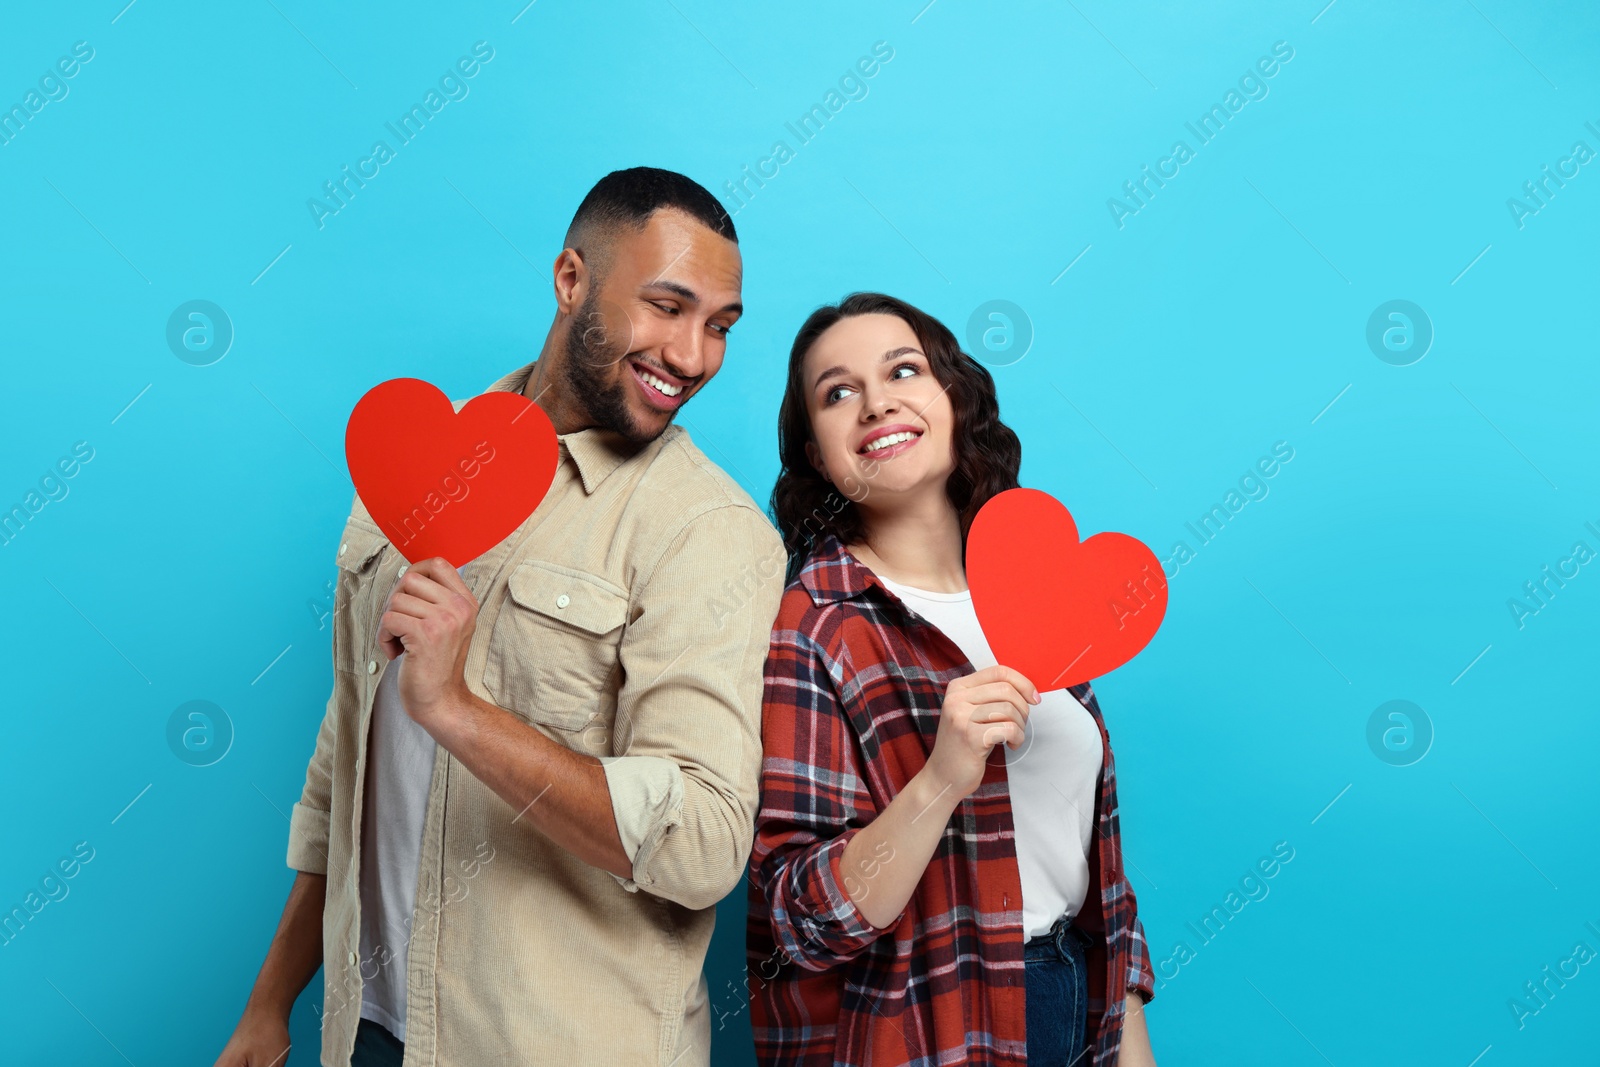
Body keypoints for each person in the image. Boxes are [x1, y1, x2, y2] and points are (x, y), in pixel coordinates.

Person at [213, 167, 786, 1067]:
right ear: (571, 280)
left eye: (719, 325)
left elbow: (707, 839)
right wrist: (270, 1002)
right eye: (667, 306)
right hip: (369, 1033)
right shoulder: (415, 465)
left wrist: (458, 711)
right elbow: (348, 759)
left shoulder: (706, 532)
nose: (693, 355)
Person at [745, 292, 1159, 1066]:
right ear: (815, 453)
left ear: (952, 397)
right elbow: (799, 920)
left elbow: (1099, 874)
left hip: (1078, 1004)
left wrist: (1132, 1048)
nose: (877, 402)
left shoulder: (1035, 590)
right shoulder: (816, 622)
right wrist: (941, 778)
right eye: (838, 392)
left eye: (904, 370)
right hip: (930, 1031)